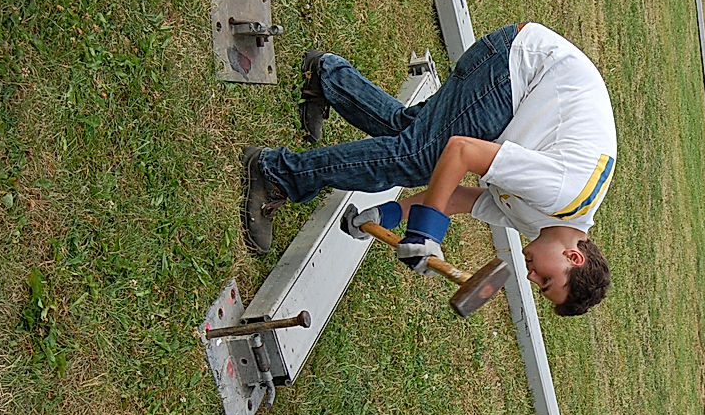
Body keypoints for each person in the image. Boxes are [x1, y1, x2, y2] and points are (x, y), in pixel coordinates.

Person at [240, 23, 616, 316]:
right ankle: (277, 174)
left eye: (538, 284)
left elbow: (457, 198)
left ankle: (326, 76)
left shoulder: (545, 226)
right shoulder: (564, 193)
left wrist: (388, 214)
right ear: (574, 257)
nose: (532, 276)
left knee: (412, 136)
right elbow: (461, 151)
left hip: (520, 83)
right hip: (520, 67)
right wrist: (425, 230)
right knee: (420, 158)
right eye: (546, 279)